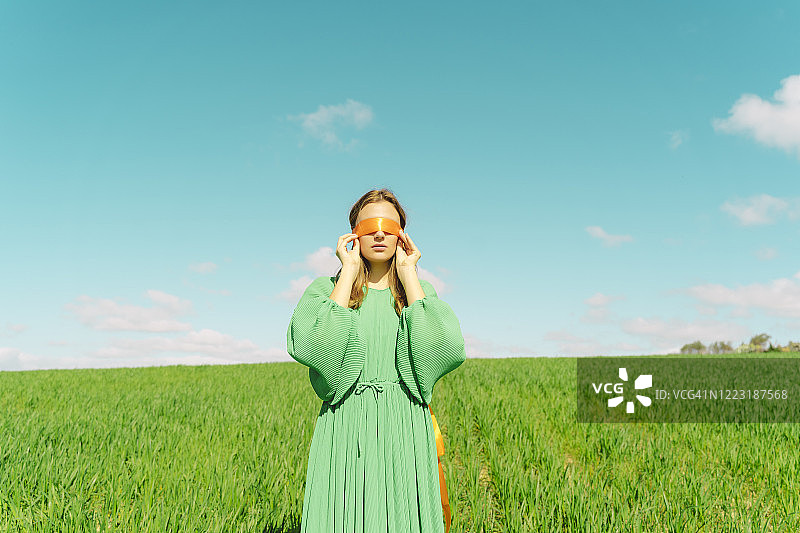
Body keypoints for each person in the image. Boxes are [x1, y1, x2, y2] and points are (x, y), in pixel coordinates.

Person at [286, 188, 467, 533]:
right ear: (353, 234)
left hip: (405, 423)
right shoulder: (324, 290)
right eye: (370, 226)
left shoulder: (419, 289)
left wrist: (409, 274)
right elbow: (313, 347)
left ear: (402, 235)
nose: (380, 233)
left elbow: (445, 348)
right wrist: (349, 272)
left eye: (390, 226)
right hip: (346, 421)